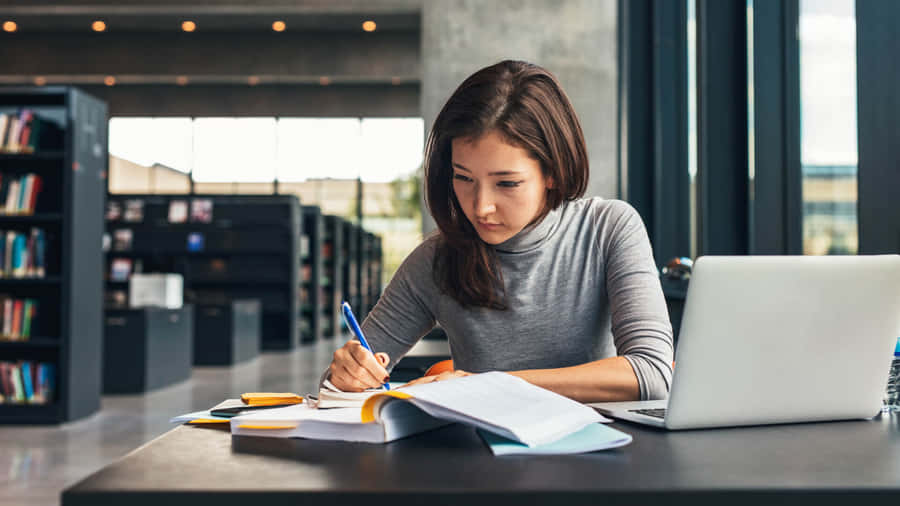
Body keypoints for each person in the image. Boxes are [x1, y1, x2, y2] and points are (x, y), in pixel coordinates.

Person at [327, 60, 673, 403]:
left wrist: (483, 385)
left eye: (506, 183)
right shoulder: (435, 260)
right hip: (481, 454)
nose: (480, 207)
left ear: (552, 171)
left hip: (599, 451)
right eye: (463, 178)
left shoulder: (608, 229)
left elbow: (652, 373)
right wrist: (345, 376)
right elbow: (334, 391)